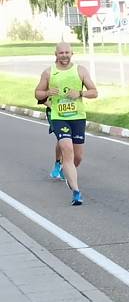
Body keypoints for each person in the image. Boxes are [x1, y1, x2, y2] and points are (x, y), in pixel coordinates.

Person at [34, 42, 98, 205]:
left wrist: (80, 93)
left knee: (77, 157)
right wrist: (47, 92)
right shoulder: (49, 72)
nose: (64, 55)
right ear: (55, 54)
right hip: (58, 116)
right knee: (67, 149)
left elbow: (94, 92)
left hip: (77, 117)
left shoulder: (80, 70)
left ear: (72, 54)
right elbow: (37, 93)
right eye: (61, 53)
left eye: (67, 52)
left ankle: (65, 170)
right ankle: (76, 192)